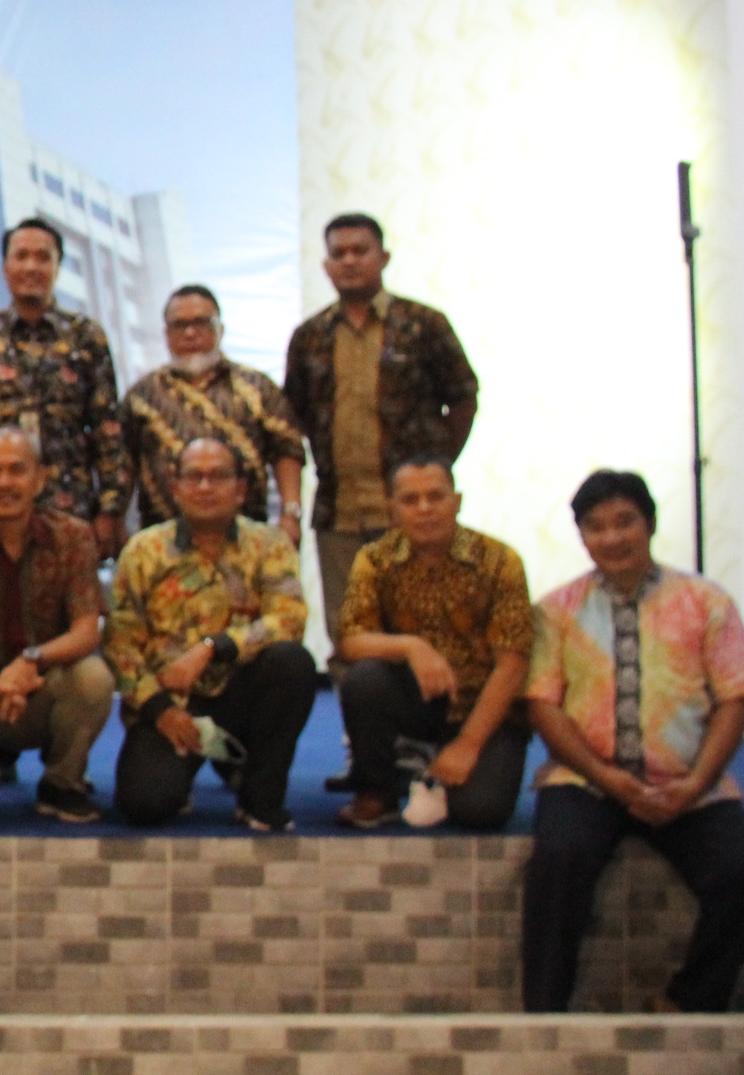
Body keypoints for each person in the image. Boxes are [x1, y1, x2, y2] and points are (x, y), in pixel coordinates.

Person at [523, 470, 744, 1013]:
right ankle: (543, 1018)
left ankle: (687, 1001)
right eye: (596, 526)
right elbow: (543, 706)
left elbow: (735, 700)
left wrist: (696, 784)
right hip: (586, 780)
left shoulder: (706, 602)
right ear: (582, 536)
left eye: (625, 522)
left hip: (686, 781)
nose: (612, 537)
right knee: (558, 861)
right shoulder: (557, 610)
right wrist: (606, 778)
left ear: (650, 524)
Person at [282, 214, 479, 667]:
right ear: (326, 265)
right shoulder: (309, 337)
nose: (350, 261)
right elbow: (295, 414)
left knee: (425, 623)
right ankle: (358, 714)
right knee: (349, 631)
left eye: (360, 250)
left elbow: (463, 397)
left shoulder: (423, 325)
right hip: (339, 511)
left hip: (412, 510)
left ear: (383, 257)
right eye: (339, 253)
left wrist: (435, 467)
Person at [105, 439, 314, 831]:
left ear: (241, 490)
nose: (205, 486)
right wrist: (161, 711)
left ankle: (259, 796)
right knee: (144, 804)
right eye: (194, 477)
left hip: (241, 697)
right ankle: (188, 772)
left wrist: (213, 648)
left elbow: (289, 619)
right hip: (171, 704)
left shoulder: (269, 544)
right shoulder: (144, 550)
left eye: (218, 476)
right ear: (176, 488)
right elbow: (120, 643)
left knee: (291, 662)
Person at [333, 457, 533, 831]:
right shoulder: (374, 559)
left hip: (484, 709)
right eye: (410, 500)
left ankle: (436, 765)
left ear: (456, 502)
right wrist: (412, 647)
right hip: (418, 699)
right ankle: (379, 791)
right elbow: (351, 641)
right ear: (392, 508)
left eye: (436, 497)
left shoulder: (500, 561)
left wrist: (468, 745)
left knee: (480, 812)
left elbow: (513, 664)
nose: (424, 508)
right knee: (364, 679)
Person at [0, 428, 114, 824]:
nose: (4, 482)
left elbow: (87, 631)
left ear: (40, 478)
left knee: (94, 677)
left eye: (17, 470)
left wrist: (30, 661)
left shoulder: (74, 537)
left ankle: (62, 782)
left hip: (44, 684)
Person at [0, 220, 126, 559]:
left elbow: (108, 429)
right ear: (5, 268)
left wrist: (109, 509)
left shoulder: (85, 335)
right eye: (22, 256)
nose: (32, 266)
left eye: (43, 257)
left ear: (57, 267)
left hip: (71, 510)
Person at [121, 284, 305, 540]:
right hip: (165, 542)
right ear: (166, 333)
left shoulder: (257, 388)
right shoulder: (141, 397)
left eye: (201, 323)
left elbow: (288, 449)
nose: (190, 333)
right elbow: (122, 463)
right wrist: (116, 520)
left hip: (247, 539)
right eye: (180, 325)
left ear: (220, 329)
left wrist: (291, 512)